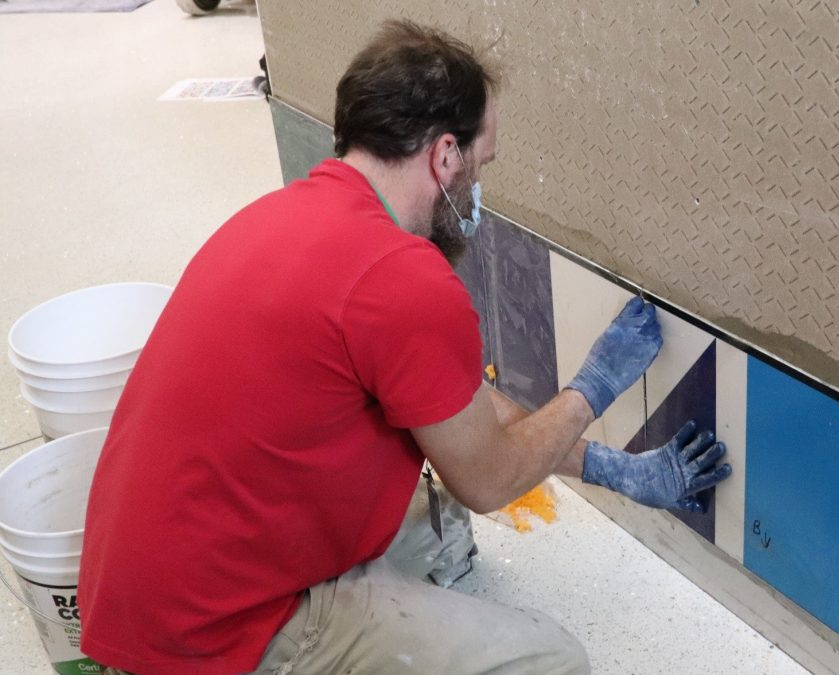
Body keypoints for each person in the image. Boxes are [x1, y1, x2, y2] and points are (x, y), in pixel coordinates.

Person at [79, 20, 731, 675]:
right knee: (553, 660)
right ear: (446, 156)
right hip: (217, 636)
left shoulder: (289, 216)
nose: (478, 189)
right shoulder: (401, 276)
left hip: (142, 591)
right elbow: (488, 477)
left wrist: (613, 470)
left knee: (432, 531)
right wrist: (592, 388)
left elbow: (461, 408)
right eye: (481, 165)